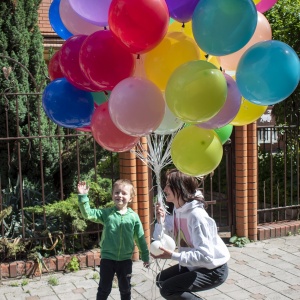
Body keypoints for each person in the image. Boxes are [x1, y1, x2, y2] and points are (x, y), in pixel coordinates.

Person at [152, 168, 230, 300]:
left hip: (213, 269)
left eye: (168, 186)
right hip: (194, 265)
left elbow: (206, 256)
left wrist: (173, 255)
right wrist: (160, 221)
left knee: (168, 289)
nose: (165, 189)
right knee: (161, 280)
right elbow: (163, 237)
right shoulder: (179, 210)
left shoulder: (196, 216)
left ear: (180, 188)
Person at [77, 179, 150, 300]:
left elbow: (140, 238)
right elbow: (88, 214)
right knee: (104, 289)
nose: (119, 195)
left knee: (125, 289)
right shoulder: (107, 214)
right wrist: (83, 196)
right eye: (116, 192)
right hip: (108, 259)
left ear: (131, 198)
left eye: (124, 193)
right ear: (112, 195)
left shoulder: (134, 217)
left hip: (125, 260)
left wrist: (145, 256)